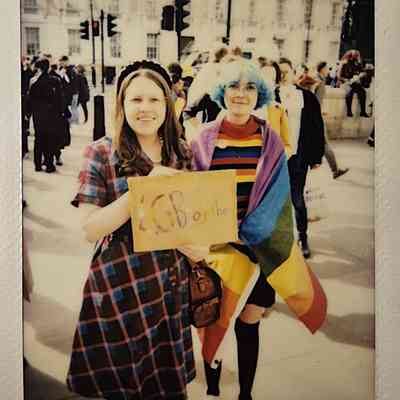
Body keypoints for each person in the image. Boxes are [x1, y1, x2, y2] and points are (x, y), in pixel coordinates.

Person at [66, 60, 201, 400]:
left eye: (155, 100)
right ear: (122, 105)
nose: (145, 109)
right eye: (136, 100)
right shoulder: (100, 152)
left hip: (169, 288)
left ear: (168, 106)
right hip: (118, 288)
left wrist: (200, 249)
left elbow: (192, 221)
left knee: (165, 388)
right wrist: (142, 193)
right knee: (120, 387)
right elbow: (90, 228)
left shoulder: (180, 152)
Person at [191, 59, 279, 400]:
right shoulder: (204, 138)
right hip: (218, 250)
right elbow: (194, 195)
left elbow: (279, 194)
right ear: (221, 92)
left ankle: (246, 394)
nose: (241, 94)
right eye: (234, 86)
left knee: (249, 323)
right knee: (215, 322)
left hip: (258, 250)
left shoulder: (269, 138)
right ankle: (213, 390)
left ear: (259, 94)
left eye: (250, 88)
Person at [278, 57, 325, 258]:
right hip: (277, 158)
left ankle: (303, 238)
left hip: (299, 155)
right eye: (279, 72)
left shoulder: (305, 97)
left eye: (285, 71)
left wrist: (316, 156)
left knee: (297, 198)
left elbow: (317, 127)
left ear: (292, 72)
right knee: (277, 201)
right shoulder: (269, 96)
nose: (282, 75)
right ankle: (282, 238)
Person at [25, 58, 64, 173]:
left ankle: (37, 164)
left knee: (38, 139)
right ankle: (49, 164)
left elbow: (29, 99)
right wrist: (60, 112)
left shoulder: (33, 81)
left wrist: (28, 113)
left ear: (39, 68)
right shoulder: (55, 80)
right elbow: (60, 99)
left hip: (38, 115)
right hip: (52, 115)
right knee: (50, 139)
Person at [315, 61, 349, 179]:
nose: (328, 71)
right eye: (326, 69)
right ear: (322, 69)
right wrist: (318, 113)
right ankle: (335, 170)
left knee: (321, 144)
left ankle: (335, 170)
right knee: (324, 144)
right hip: (315, 118)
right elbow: (316, 101)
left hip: (315, 116)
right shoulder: (319, 81)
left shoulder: (317, 79)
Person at [337, 50, 369, 117]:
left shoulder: (357, 64)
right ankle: (349, 111)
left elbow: (362, 72)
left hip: (354, 83)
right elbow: (339, 76)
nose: (357, 58)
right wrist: (347, 80)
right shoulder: (344, 63)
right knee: (349, 91)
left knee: (363, 92)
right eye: (355, 56)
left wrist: (361, 75)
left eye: (357, 56)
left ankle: (363, 111)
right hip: (345, 83)